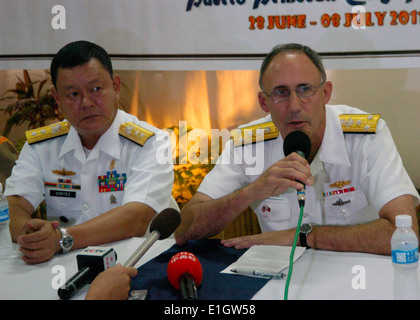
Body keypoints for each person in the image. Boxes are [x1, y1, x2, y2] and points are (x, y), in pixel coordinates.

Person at [175, 43, 419, 255]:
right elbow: (184, 230)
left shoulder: (366, 135)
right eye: (280, 93)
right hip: (278, 279)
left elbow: (405, 233)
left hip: (358, 277)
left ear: (325, 93)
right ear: (264, 102)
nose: (294, 106)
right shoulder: (248, 143)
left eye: (305, 89)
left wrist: (304, 236)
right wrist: (251, 192)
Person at [5, 40, 177, 264]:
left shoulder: (152, 142)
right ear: (57, 99)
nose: (86, 103)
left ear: (115, 87)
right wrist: (31, 237)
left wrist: (61, 239)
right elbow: (14, 205)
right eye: (73, 94)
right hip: (63, 264)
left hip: (138, 263)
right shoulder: (41, 146)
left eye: (96, 89)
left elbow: (137, 218)